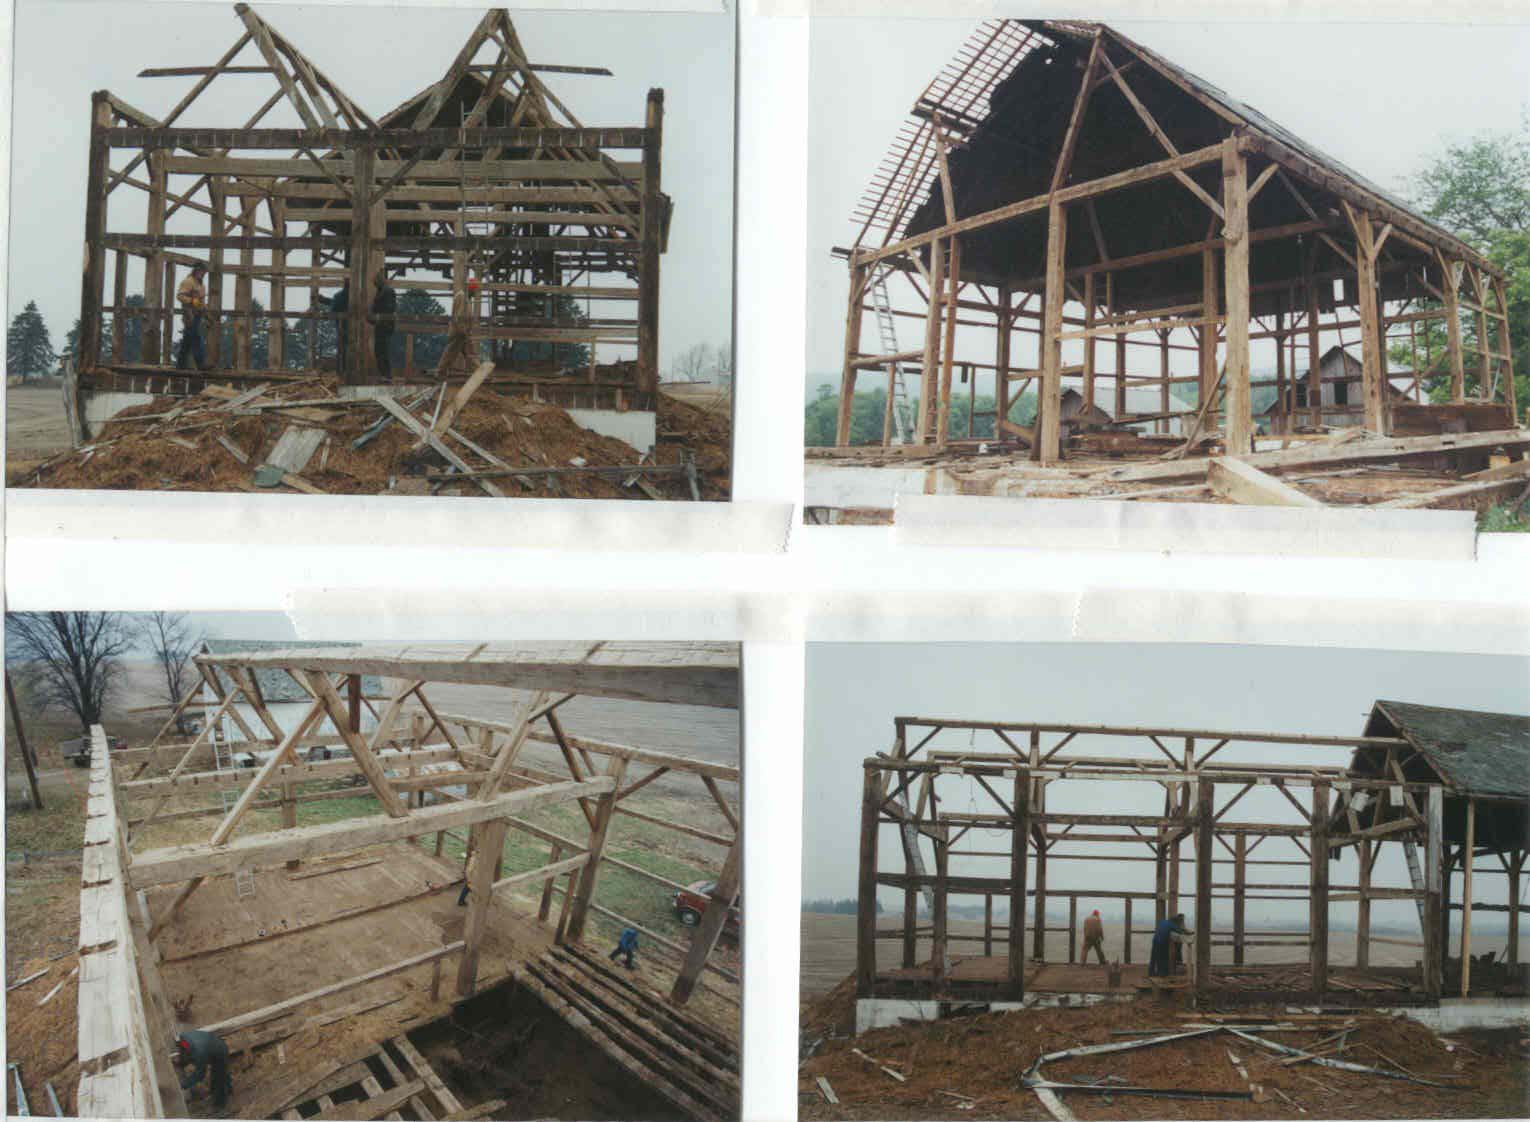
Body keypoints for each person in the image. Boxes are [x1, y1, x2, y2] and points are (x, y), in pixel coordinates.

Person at [173, 1028, 232, 1109]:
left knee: (219, 1078)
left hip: (220, 1051)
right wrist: (181, 1062)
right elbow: (184, 1052)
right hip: (211, 1044)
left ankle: (220, 1105)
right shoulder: (183, 1039)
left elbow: (200, 1074)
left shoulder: (199, 1052)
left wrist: (184, 1084)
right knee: (218, 1075)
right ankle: (227, 1089)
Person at [175, 264, 209, 371]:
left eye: (204, 273)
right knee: (195, 337)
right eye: (201, 272)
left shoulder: (201, 285)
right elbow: (180, 296)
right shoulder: (188, 281)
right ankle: (200, 364)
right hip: (189, 313)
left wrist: (205, 311)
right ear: (196, 270)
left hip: (197, 314)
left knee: (188, 339)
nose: (203, 274)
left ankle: (180, 364)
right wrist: (191, 301)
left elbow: (201, 301)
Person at [371, 269, 397, 381]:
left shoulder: (387, 291)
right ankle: (385, 375)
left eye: (376, 280)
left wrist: (378, 318)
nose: (374, 282)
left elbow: (389, 309)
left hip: (384, 325)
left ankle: (386, 375)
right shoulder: (382, 291)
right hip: (382, 325)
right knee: (380, 351)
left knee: (382, 351)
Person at [1149, 912, 1192, 977]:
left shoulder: (1163, 922)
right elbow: (1181, 931)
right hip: (1162, 941)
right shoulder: (1173, 925)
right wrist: (1186, 929)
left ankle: (1151, 973)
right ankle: (1163, 973)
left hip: (1155, 939)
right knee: (1164, 957)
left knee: (1154, 956)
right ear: (1177, 921)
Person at [323, 282, 350, 372]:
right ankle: (347, 370)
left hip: (342, 325)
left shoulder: (338, 295)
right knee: (349, 348)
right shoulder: (357, 295)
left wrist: (323, 300)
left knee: (341, 347)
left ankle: (341, 370)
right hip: (354, 327)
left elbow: (333, 308)